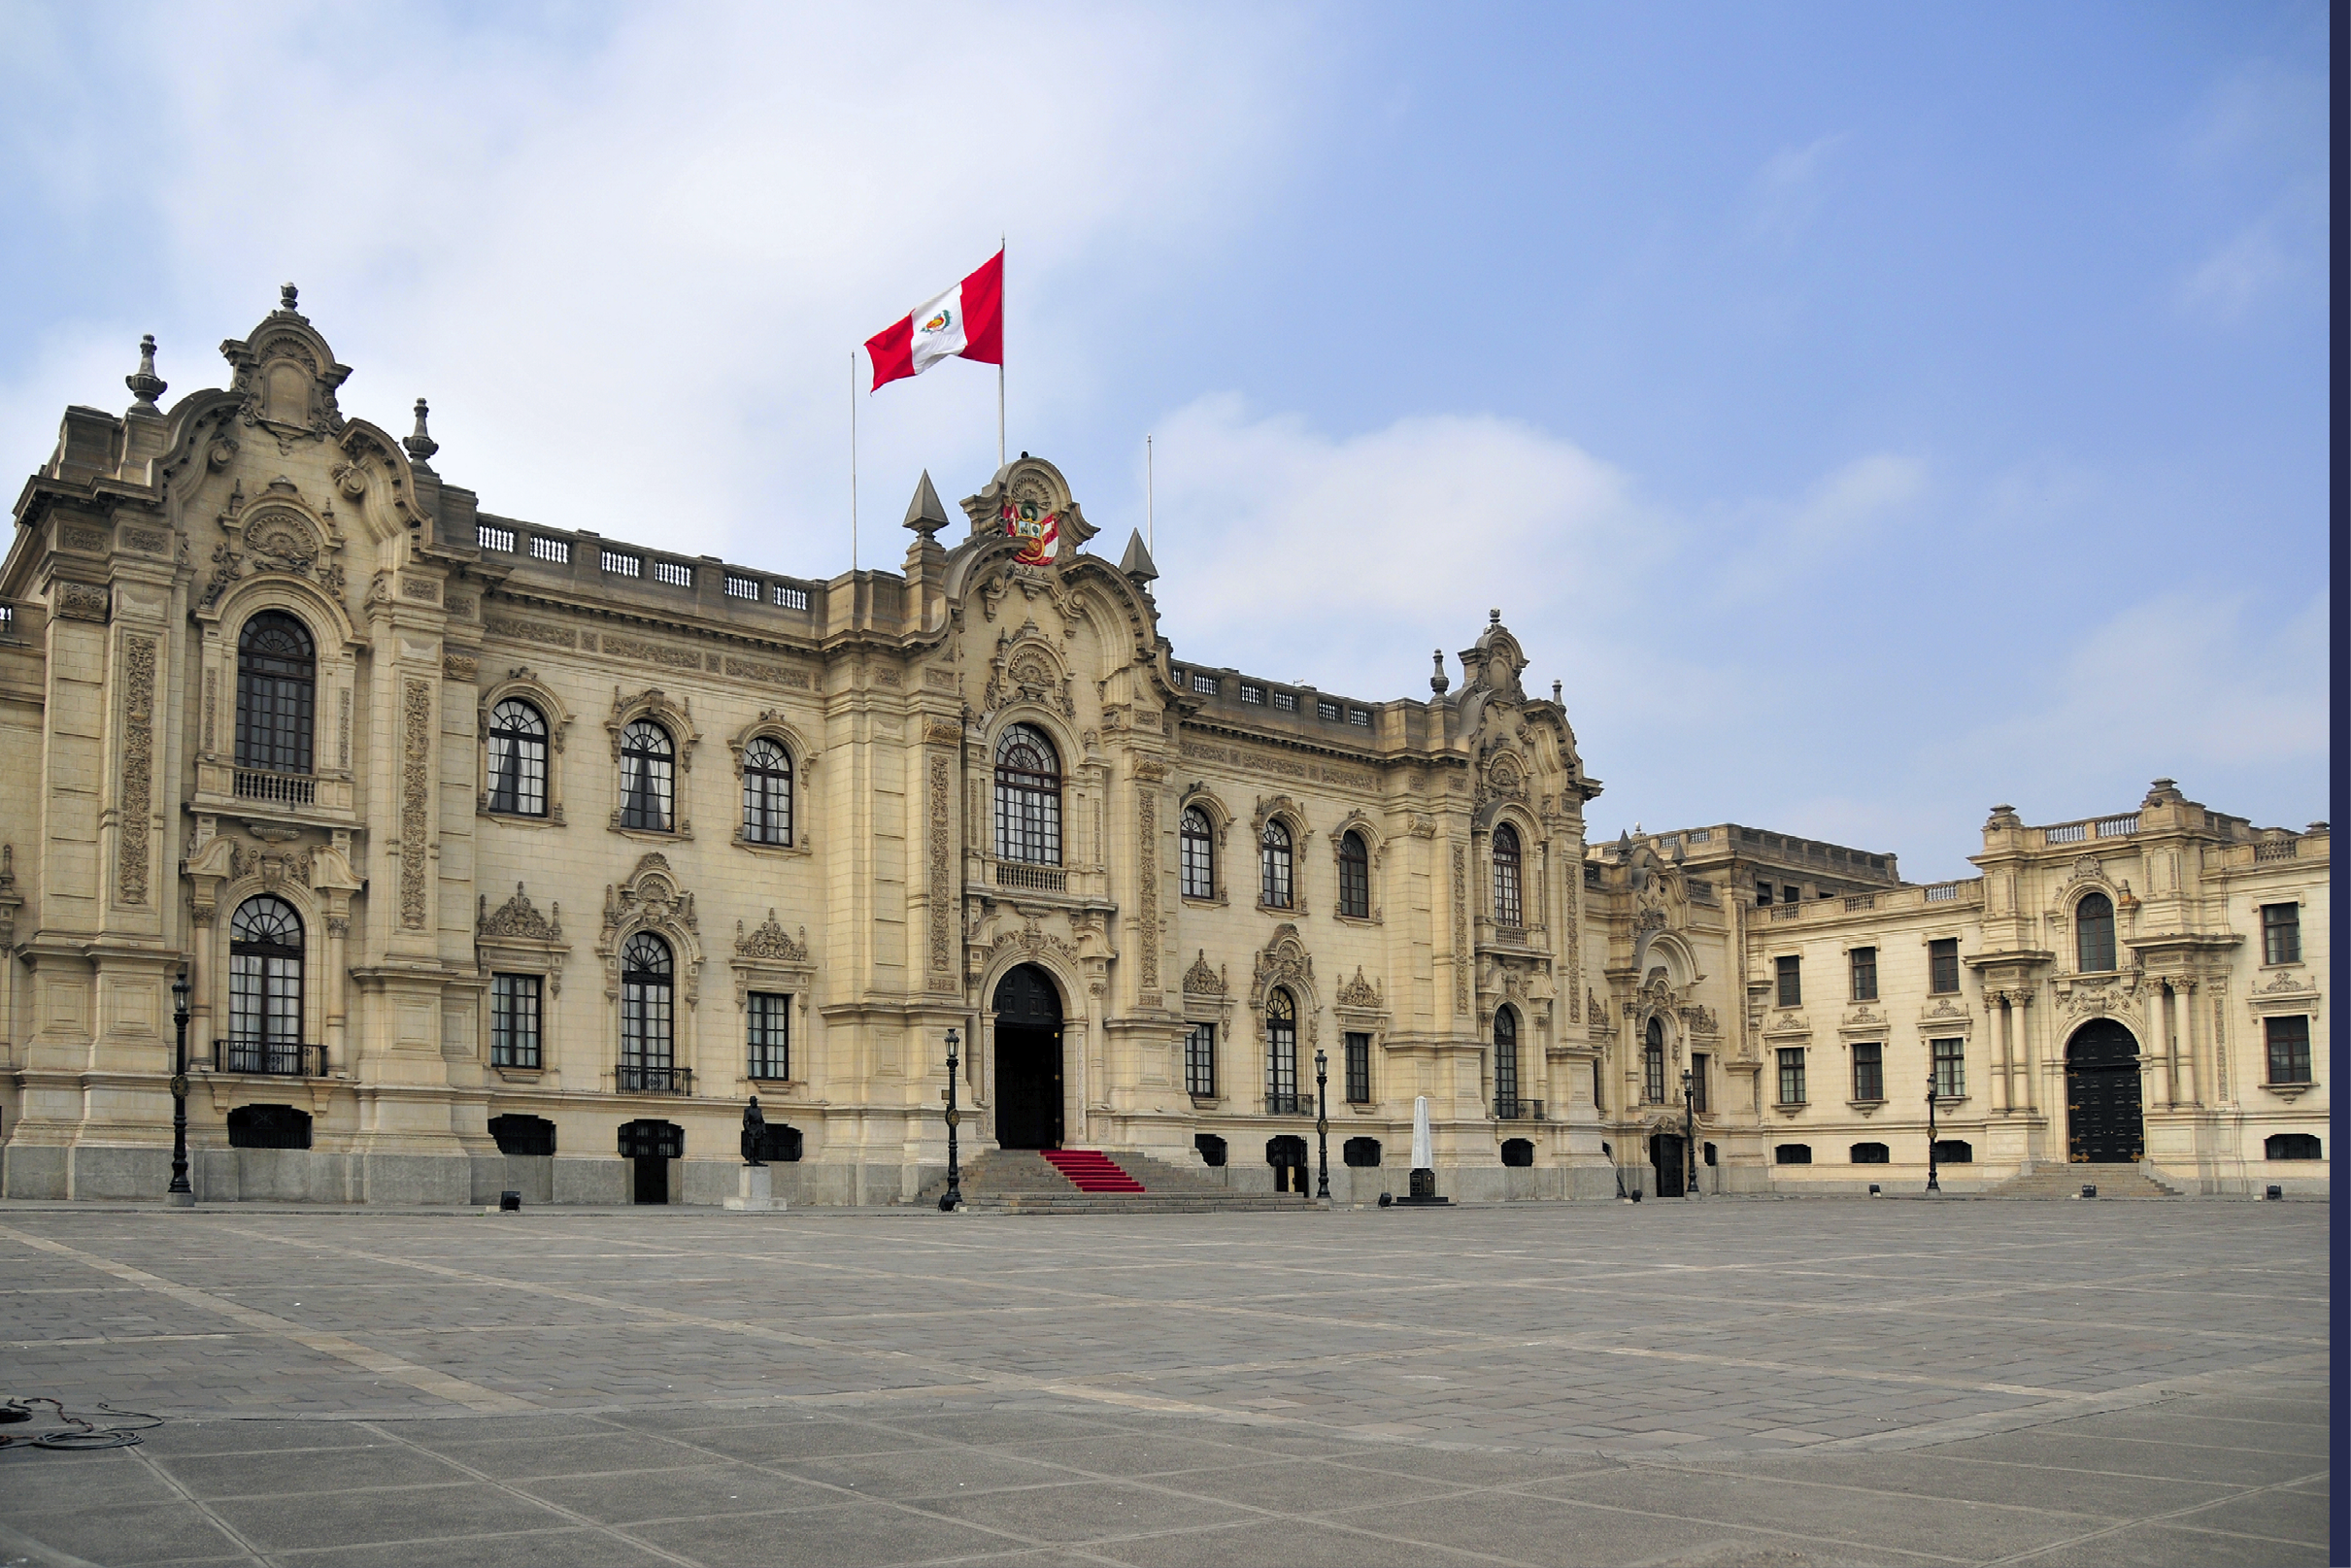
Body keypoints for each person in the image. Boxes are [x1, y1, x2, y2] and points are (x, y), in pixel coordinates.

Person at [740, 1095, 766, 1166]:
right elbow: (745, 1121)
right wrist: (748, 1130)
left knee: (757, 1146)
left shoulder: (759, 1110)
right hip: (752, 1129)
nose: (755, 1102)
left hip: (758, 1130)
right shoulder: (747, 1110)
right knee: (752, 1146)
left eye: (756, 1101)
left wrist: (763, 1130)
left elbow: (762, 1121)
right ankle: (751, 1159)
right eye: (754, 1101)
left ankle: (756, 1159)